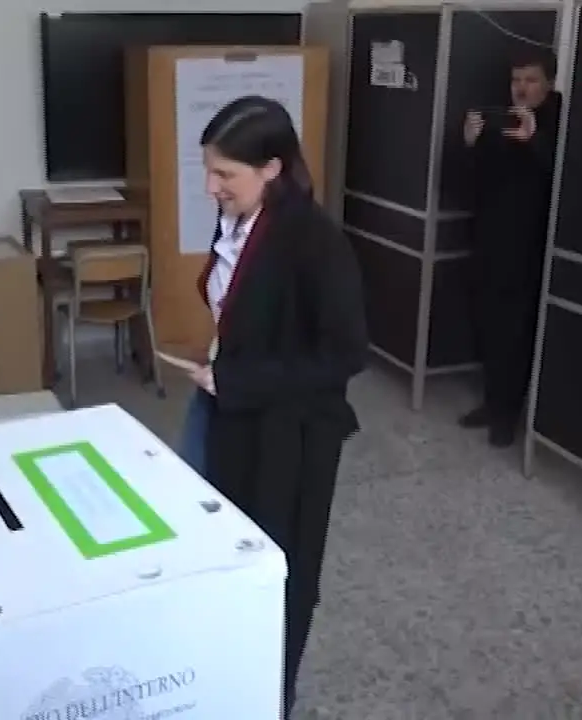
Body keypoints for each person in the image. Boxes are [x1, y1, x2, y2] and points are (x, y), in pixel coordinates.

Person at [175, 95, 367, 716]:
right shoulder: (238, 217)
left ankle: (267, 698)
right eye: (208, 170)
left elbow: (344, 355)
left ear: (273, 168)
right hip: (226, 406)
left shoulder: (316, 242)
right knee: (210, 543)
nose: (211, 187)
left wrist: (241, 378)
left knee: (278, 572)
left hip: (289, 433)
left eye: (224, 174)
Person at [459, 50, 562, 447]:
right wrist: (470, 144)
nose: (521, 88)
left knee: (515, 333)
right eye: (516, 80)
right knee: (487, 325)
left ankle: (507, 414)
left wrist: (534, 141)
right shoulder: (503, 120)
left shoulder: (559, 122)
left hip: (528, 249)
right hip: (489, 242)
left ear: (549, 83)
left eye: (531, 80)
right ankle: (492, 401)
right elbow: (471, 184)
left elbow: (565, 179)